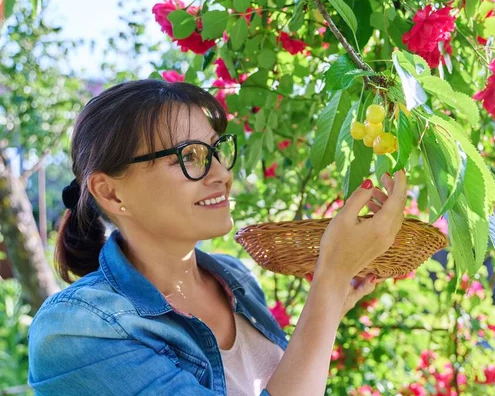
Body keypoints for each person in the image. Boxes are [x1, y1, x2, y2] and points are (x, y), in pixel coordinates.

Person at [27, 79, 408, 396]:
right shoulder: (75, 329)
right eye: (188, 156)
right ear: (111, 193)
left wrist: (331, 302)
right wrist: (331, 276)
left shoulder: (234, 278)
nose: (222, 174)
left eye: (216, 149)